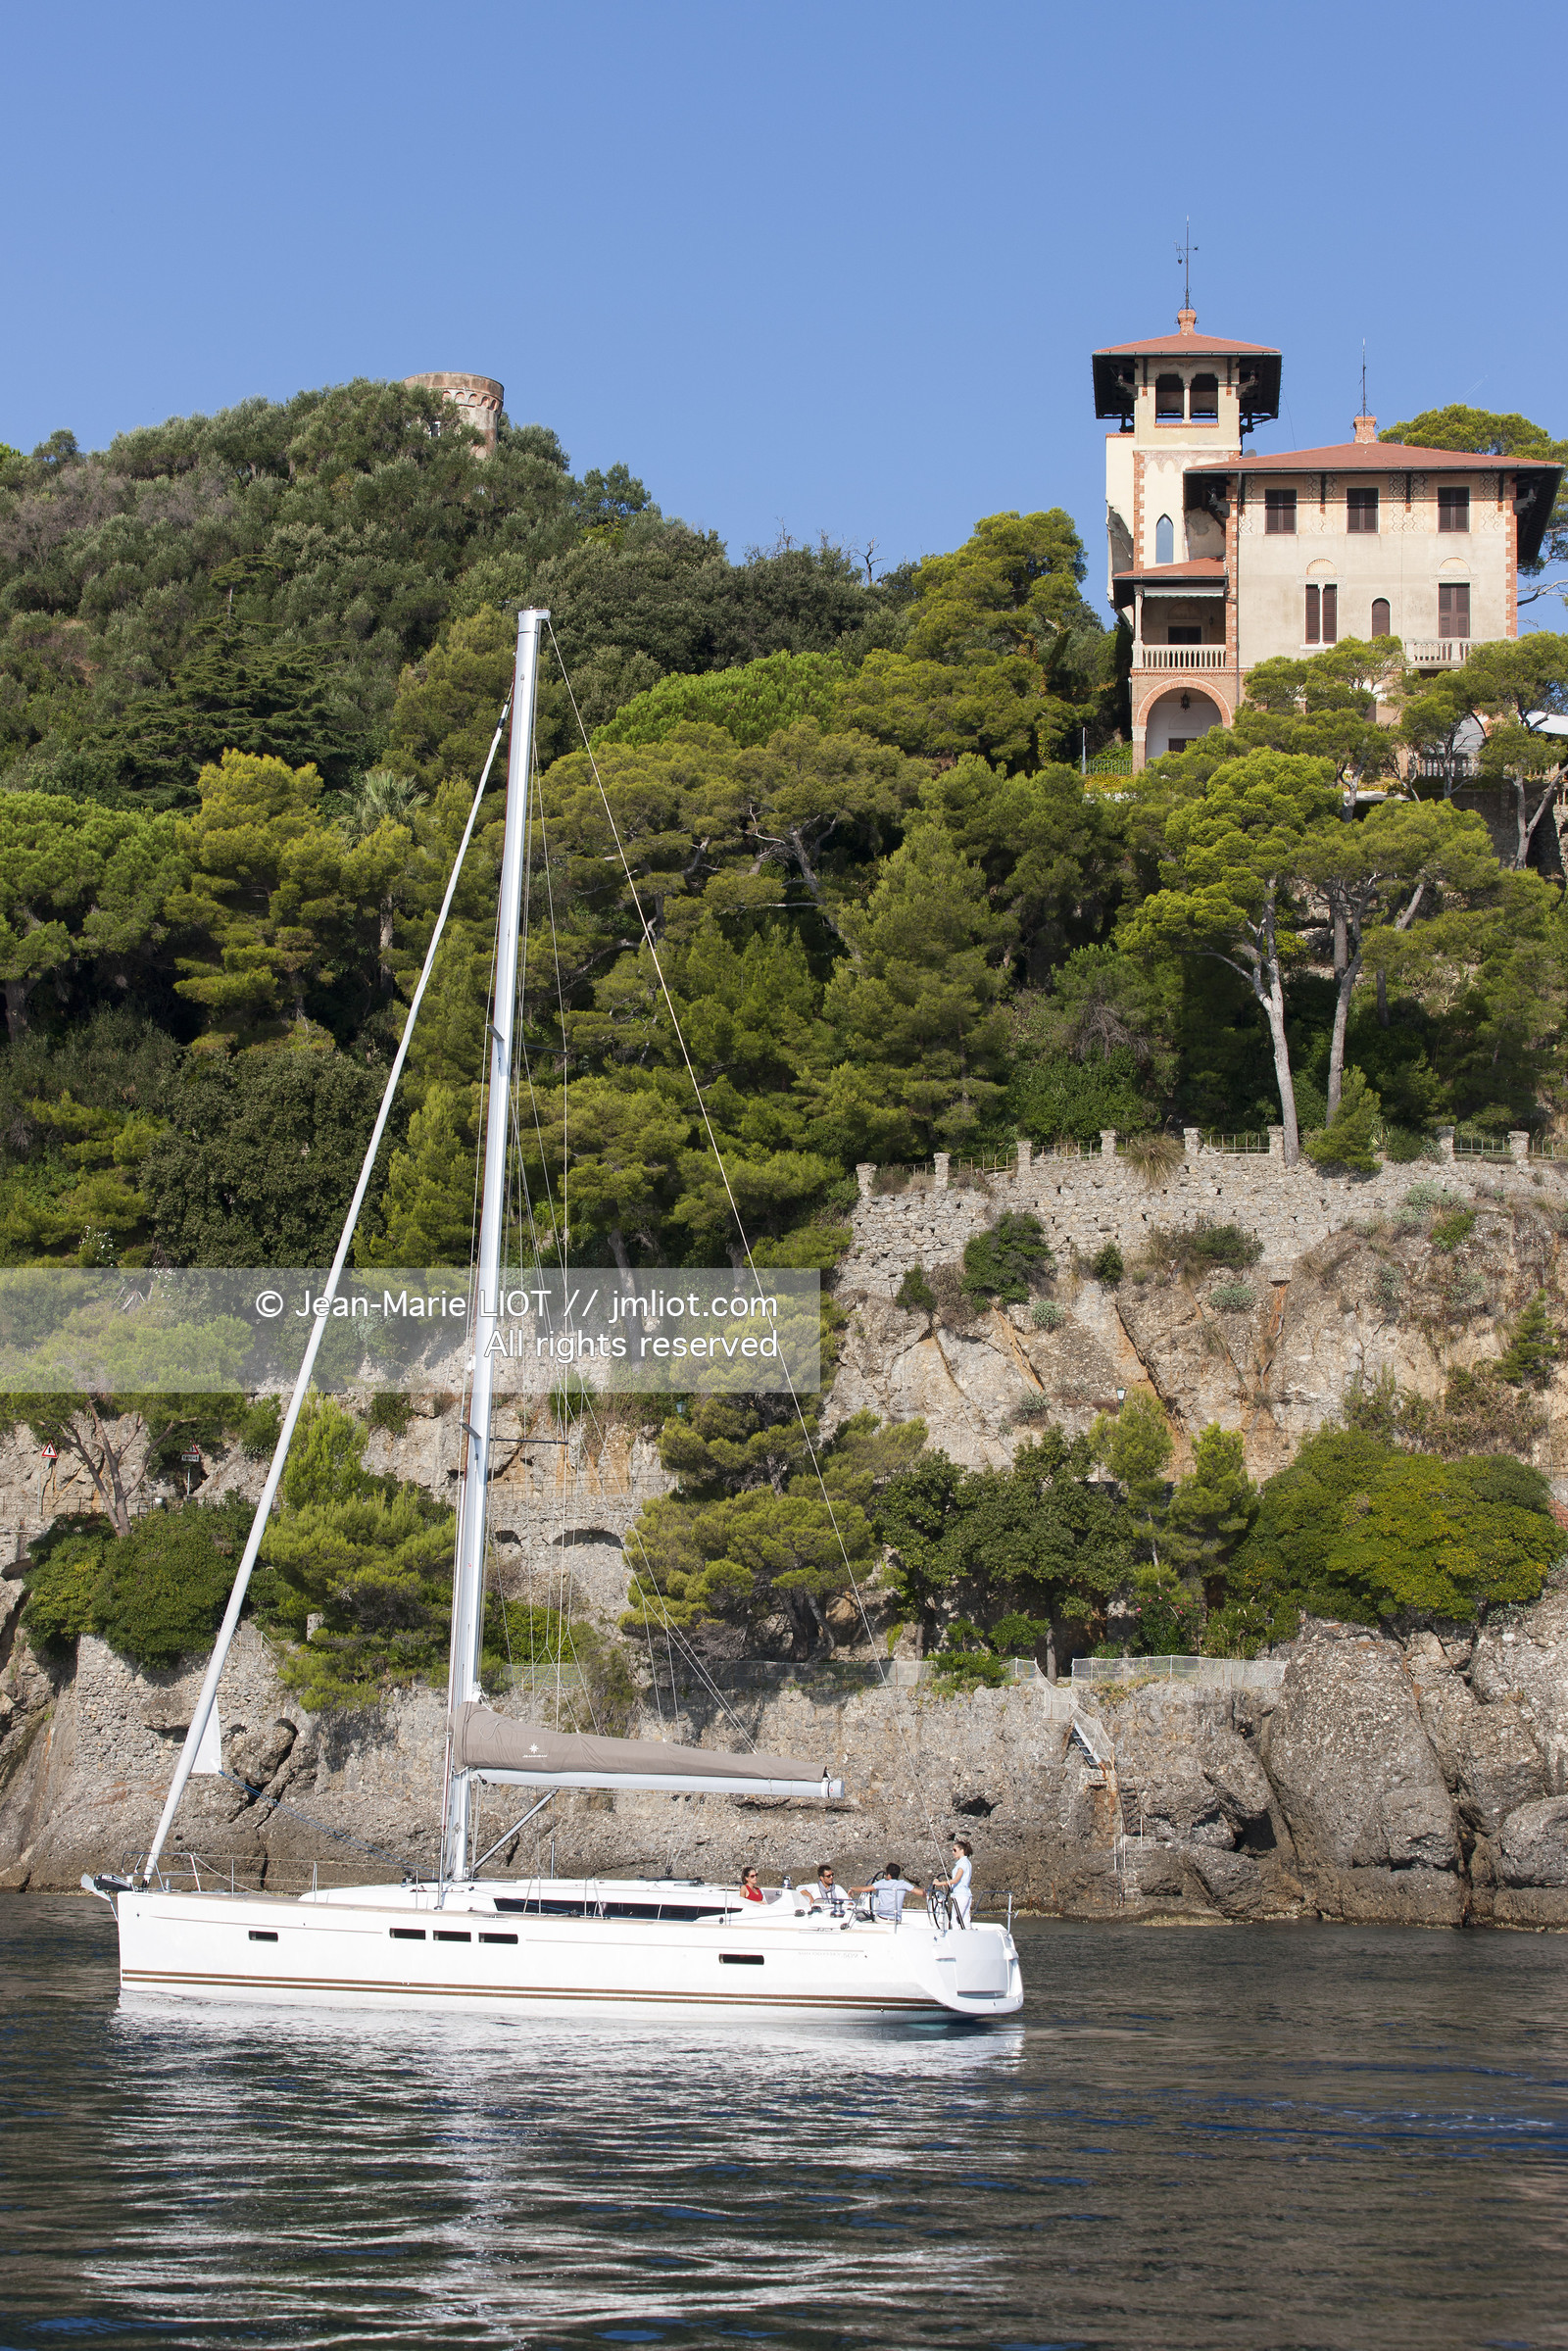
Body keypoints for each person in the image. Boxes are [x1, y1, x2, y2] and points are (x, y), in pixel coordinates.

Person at [851, 1863, 923, 1923]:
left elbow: (864, 1889)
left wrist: (852, 1888)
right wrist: (927, 1894)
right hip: (896, 1920)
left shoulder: (882, 1883)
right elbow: (918, 1892)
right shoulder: (903, 1884)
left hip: (882, 1919)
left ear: (889, 1875)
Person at [934, 1837, 974, 1926]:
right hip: (965, 1894)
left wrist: (939, 1883)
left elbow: (956, 1880)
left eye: (954, 1850)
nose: (953, 1852)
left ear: (961, 1851)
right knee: (965, 1921)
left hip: (960, 1895)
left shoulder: (962, 1863)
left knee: (955, 1921)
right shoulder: (966, 1862)